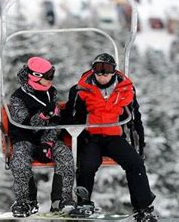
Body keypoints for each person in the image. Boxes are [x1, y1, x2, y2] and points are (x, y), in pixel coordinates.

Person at [62, 53, 157, 222]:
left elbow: (134, 119)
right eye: (98, 70)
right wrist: (79, 138)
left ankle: (143, 208)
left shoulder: (125, 89)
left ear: (114, 71)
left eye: (107, 70)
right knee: (87, 165)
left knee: (135, 163)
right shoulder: (82, 89)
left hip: (114, 137)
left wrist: (139, 147)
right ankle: (84, 203)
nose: (102, 75)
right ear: (93, 71)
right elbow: (71, 117)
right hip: (91, 137)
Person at [8, 57, 76, 217]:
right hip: (24, 139)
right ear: (35, 76)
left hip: (47, 137)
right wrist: (43, 115)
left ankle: (61, 201)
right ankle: (26, 201)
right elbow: (25, 125)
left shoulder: (50, 92)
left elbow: (56, 120)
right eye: (49, 75)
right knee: (19, 161)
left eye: (52, 74)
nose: (51, 79)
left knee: (66, 157)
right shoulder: (17, 98)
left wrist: (48, 142)